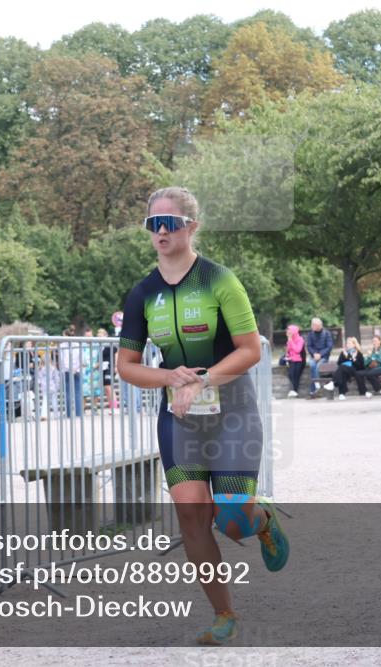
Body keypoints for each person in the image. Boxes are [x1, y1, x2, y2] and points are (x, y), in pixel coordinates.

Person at [116, 186, 289, 646]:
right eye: (153, 224)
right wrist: (170, 378)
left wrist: (202, 379)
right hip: (180, 417)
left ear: (192, 227)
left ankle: (263, 521)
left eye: (169, 223)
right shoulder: (142, 294)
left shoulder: (220, 279)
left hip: (231, 411)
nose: (160, 232)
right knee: (192, 516)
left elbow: (250, 351)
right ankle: (223, 614)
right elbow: (126, 366)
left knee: (232, 520)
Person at [58, 326, 84, 417]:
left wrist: (69, 369)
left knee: (68, 392)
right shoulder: (78, 344)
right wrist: (75, 369)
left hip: (66, 371)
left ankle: (69, 414)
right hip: (77, 370)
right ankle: (78, 413)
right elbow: (81, 360)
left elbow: (62, 361)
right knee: (77, 392)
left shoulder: (62, 346)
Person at [305, 317, 333, 397]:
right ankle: (317, 387)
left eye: (315, 325)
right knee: (312, 365)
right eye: (313, 325)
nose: (313, 327)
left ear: (319, 325)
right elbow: (309, 346)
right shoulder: (311, 334)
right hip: (314, 356)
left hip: (324, 356)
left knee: (318, 367)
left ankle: (315, 389)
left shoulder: (327, 333)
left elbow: (329, 346)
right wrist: (314, 354)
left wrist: (320, 354)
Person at [96, 327, 117, 409]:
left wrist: (116, 366)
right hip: (103, 368)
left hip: (110, 367)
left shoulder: (110, 344)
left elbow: (116, 353)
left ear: (105, 335)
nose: (99, 336)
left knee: (109, 387)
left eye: (101, 334)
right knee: (106, 388)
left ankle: (115, 407)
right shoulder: (100, 346)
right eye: (98, 334)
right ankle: (112, 406)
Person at [284, 324, 306, 398]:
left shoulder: (300, 339)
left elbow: (297, 350)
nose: (287, 332)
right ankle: (293, 390)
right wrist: (287, 355)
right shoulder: (290, 339)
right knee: (290, 374)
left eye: (289, 331)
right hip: (291, 359)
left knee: (295, 374)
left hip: (299, 360)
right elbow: (288, 350)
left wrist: (290, 341)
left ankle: (294, 390)